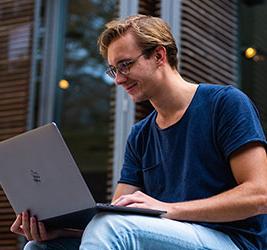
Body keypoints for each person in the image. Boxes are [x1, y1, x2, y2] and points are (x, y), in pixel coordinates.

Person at [11, 14, 267, 250]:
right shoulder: (140, 134)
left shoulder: (225, 103)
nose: (119, 79)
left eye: (125, 65)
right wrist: (60, 231)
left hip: (234, 241)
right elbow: (116, 217)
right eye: (113, 70)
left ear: (159, 55)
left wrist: (168, 209)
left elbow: (259, 194)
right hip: (170, 236)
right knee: (40, 247)